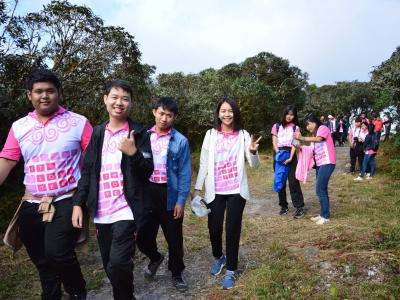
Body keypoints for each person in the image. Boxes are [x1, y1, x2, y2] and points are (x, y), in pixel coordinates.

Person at [0, 69, 90, 299]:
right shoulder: (19, 127)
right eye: (38, 91)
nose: (44, 96)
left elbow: (94, 162)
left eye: (50, 91)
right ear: (29, 95)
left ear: (59, 93)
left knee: (57, 252)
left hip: (67, 199)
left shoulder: (78, 123)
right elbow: (8, 160)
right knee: (40, 258)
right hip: (31, 202)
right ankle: (50, 295)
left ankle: (77, 291)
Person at [72, 80, 154, 300]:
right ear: (105, 100)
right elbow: (87, 172)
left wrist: (133, 153)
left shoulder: (139, 133)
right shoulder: (97, 133)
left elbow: (148, 170)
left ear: (131, 104)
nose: (120, 103)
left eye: (125, 99)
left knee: (118, 263)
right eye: (115, 97)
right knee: (110, 265)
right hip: (101, 211)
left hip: (126, 209)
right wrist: (78, 203)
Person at [193, 97, 260, 289]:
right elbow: (204, 163)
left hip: (236, 191)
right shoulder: (211, 134)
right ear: (218, 114)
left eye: (230, 110)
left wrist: (254, 152)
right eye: (223, 111)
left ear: (235, 113)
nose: (227, 114)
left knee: (232, 230)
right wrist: (198, 189)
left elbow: (253, 165)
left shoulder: (244, 135)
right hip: (215, 191)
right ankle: (219, 257)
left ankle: (231, 269)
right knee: (214, 228)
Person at [136, 97, 191, 291]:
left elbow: (184, 172)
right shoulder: (142, 136)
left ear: (174, 117)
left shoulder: (180, 141)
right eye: (161, 113)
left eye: (169, 115)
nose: (165, 118)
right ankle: (155, 257)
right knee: (141, 236)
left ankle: (176, 273)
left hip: (169, 193)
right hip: (147, 193)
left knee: (174, 239)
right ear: (154, 112)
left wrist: (181, 201)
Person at [294, 114, 336, 225]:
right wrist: (298, 145)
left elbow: (318, 139)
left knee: (320, 189)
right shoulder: (314, 136)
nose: (307, 128)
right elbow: (309, 148)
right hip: (320, 164)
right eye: (306, 126)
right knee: (321, 189)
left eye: (308, 125)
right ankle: (323, 214)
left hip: (327, 162)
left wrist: (301, 138)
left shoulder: (323, 129)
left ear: (314, 122)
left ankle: (325, 216)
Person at [271, 105, 305, 218]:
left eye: (292, 115)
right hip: (278, 154)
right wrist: (278, 154)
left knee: (293, 182)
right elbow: (275, 142)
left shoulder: (296, 128)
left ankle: (299, 207)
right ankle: (283, 206)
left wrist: (290, 158)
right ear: (284, 113)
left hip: (291, 153)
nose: (289, 116)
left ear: (294, 116)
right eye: (288, 114)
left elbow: (295, 144)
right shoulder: (276, 126)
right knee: (280, 180)